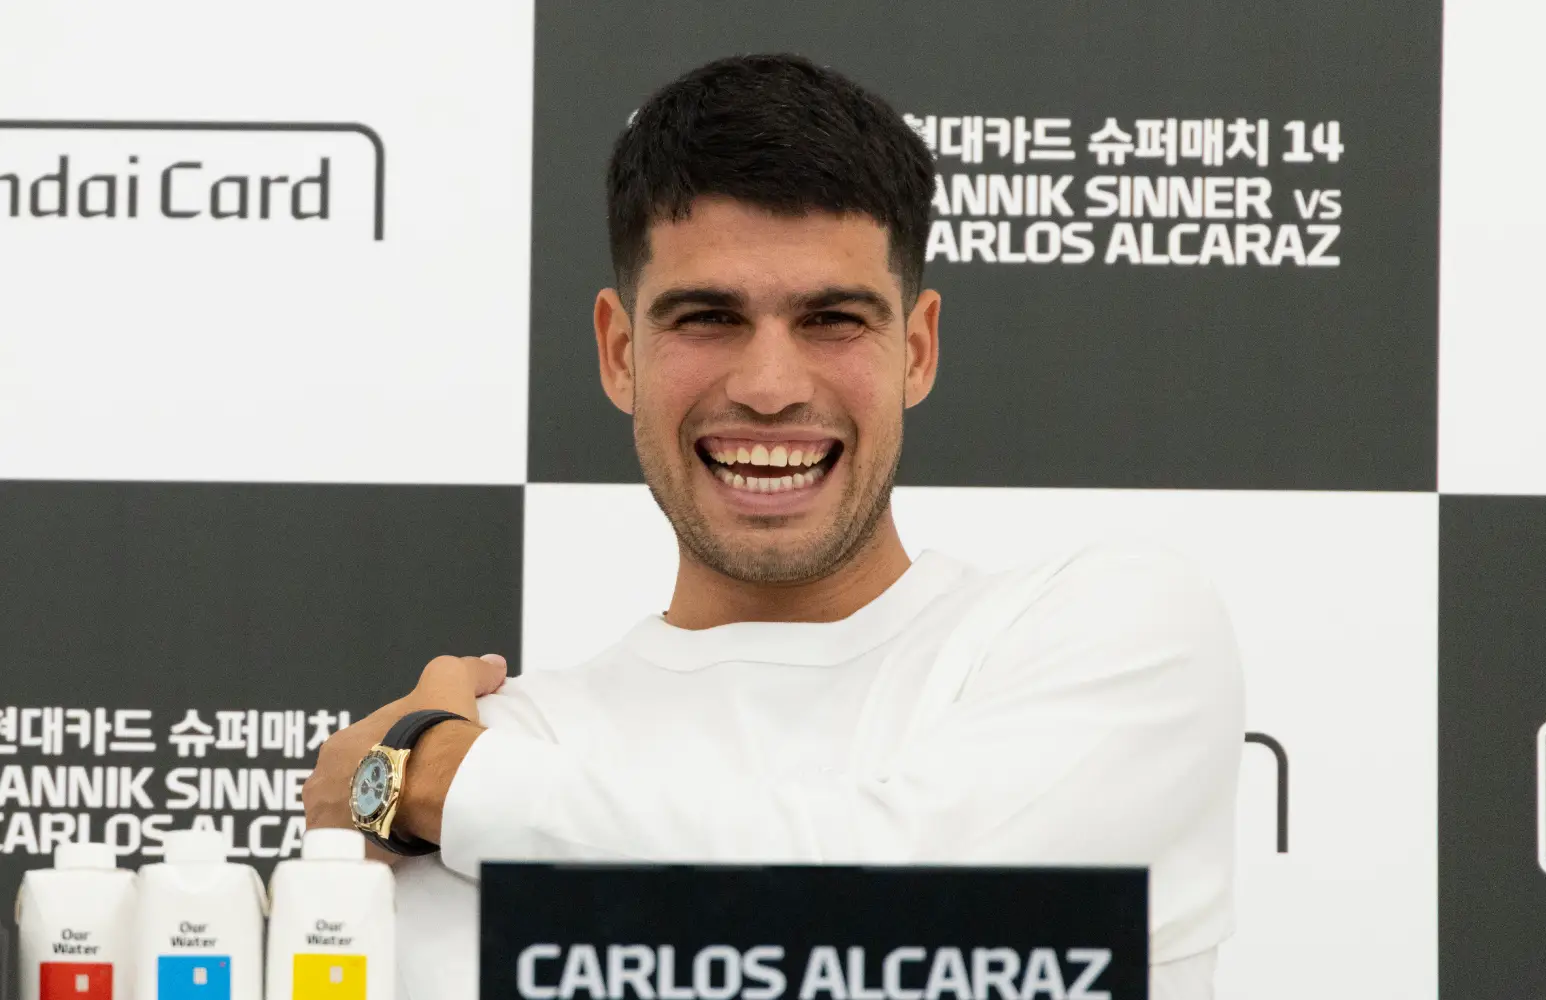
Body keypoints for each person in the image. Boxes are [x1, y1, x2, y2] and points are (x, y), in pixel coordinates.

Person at [301, 53, 1244, 1000]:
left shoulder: (1111, 634)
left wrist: (446, 784)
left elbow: (927, 917)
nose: (769, 387)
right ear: (620, 352)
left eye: (832, 319)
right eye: (708, 317)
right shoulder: (493, 755)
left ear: (917, 350)